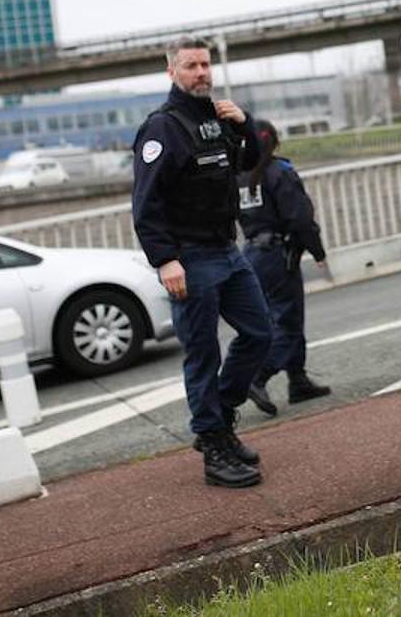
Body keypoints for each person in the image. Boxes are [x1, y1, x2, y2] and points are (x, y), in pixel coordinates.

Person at [131, 37, 271, 489]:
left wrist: (245, 124)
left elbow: (250, 162)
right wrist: (165, 260)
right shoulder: (162, 128)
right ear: (172, 72)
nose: (201, 73)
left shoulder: (217, 117)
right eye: (190, 66)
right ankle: (213, 444)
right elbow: (145, 204)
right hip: (190, 258)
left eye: (205, 65)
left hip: (228, 252)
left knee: (260, 332)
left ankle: (221, 416)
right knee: (203, 353)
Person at [237, 119, 332, 417]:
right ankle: (258, 377)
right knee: (288, 322)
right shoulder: (279, 172)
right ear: (275, 143)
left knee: (277, 319)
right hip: (279, 254)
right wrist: (317, 250)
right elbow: (299, 217)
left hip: (252, 254)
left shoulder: (239, 176)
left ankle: (298, 379)